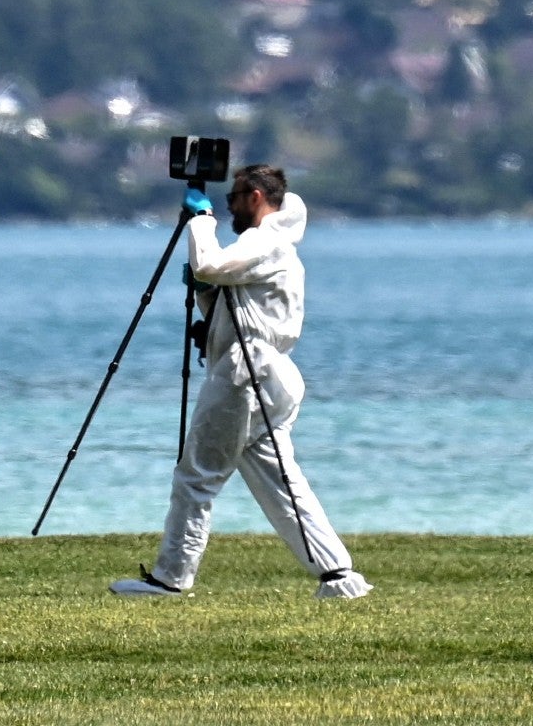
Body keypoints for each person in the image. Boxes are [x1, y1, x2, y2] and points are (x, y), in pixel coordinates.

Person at [110, 164, 371, 600]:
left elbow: (210, 264)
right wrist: (205, 294)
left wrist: (200, 218)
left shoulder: (266, 242)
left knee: (196, 477)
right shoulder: (273, 246)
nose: (227, 205)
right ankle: (339, 576)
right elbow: (230, 299)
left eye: (232, 197)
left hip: (244, 375)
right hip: (270, 375)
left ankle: (171, 580)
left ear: (254, 195)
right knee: (283, 484)